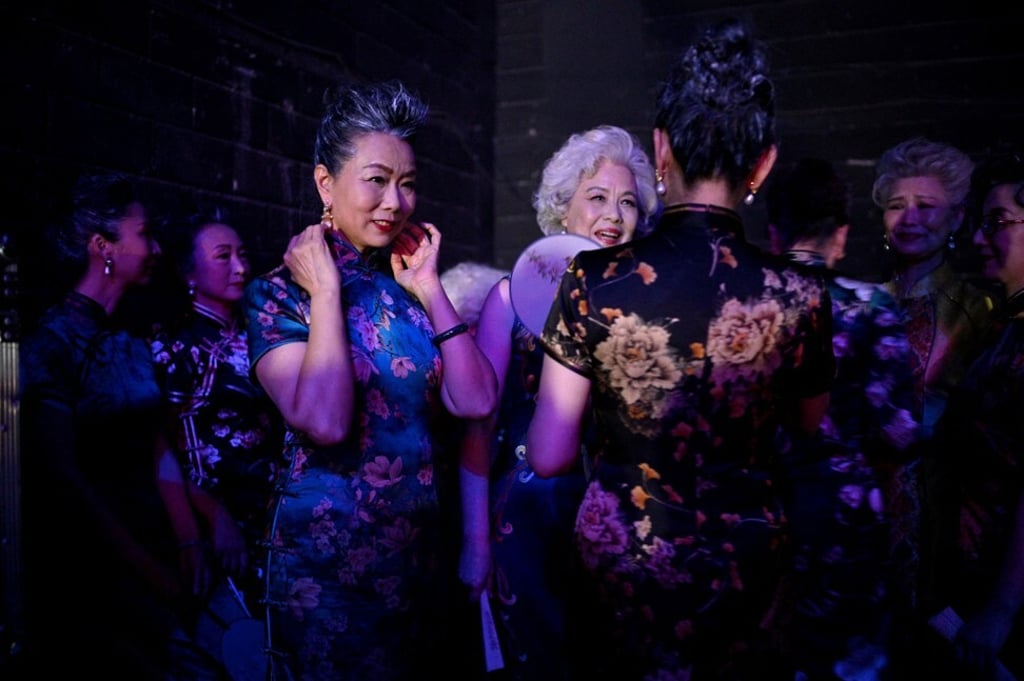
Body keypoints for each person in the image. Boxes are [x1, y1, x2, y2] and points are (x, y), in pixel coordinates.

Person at [524, 18, 835, 680]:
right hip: (747, 575)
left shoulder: (593, 280)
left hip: (623, 573)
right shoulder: (801, 294)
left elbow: (549, 454)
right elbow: (808, 427)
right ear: (764, 161)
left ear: (660, 150)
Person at [244, 79, 498, 680]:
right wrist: (327, 290)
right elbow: (326, 422)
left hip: (420, 570)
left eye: (407, 183)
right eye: (377, 180)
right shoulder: (278, 294)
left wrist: (433, 289)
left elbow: (477, 401)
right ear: (325, 184)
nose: (395, 202)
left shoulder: (413, 290)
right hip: (325, 576)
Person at [457, 125, 660, 680]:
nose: (614, 215)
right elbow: (478, 426)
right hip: (527, 518)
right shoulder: (509, 298)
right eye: (596, 198)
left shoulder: (646, 304)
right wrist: (474, 543)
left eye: (627, 203)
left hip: (624, 523)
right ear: (562, 207)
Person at [18, 172, 223, 679]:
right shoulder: (52, 347)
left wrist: (189, 536)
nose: (154, 247)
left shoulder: (129, 339)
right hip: (94, 565)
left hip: (154, 544)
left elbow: (156, 447)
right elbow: (65, 481)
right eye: (143, 233)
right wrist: (144, 569)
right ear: (101, 245)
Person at [766, 158, 919, 679]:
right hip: (844, 511)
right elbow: (898, 429)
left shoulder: (744, 309)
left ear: (772, 232)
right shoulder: (870, 307)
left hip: (759, 510)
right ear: (842, 235)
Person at [870, 137, 997, 672]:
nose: (909, 218)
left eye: (926, 206)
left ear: (957, 218)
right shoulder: (866, 300)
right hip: (870, 515)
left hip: (946, 520)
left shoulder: (977, 308)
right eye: (897, 205)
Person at [150, 207, 283, 672]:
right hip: (211, 518)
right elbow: (163, 446)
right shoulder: (177, 346)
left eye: (242, 255)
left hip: (267, 515)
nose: (241, 267)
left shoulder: (260, 335)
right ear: (190, 272)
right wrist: (209, 516)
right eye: (222, 256)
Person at [928, 148, 1024, 680]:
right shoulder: (1003, 326)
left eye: (1000, 222)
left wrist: (1002, 610)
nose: (980, 239)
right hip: (970, 581)